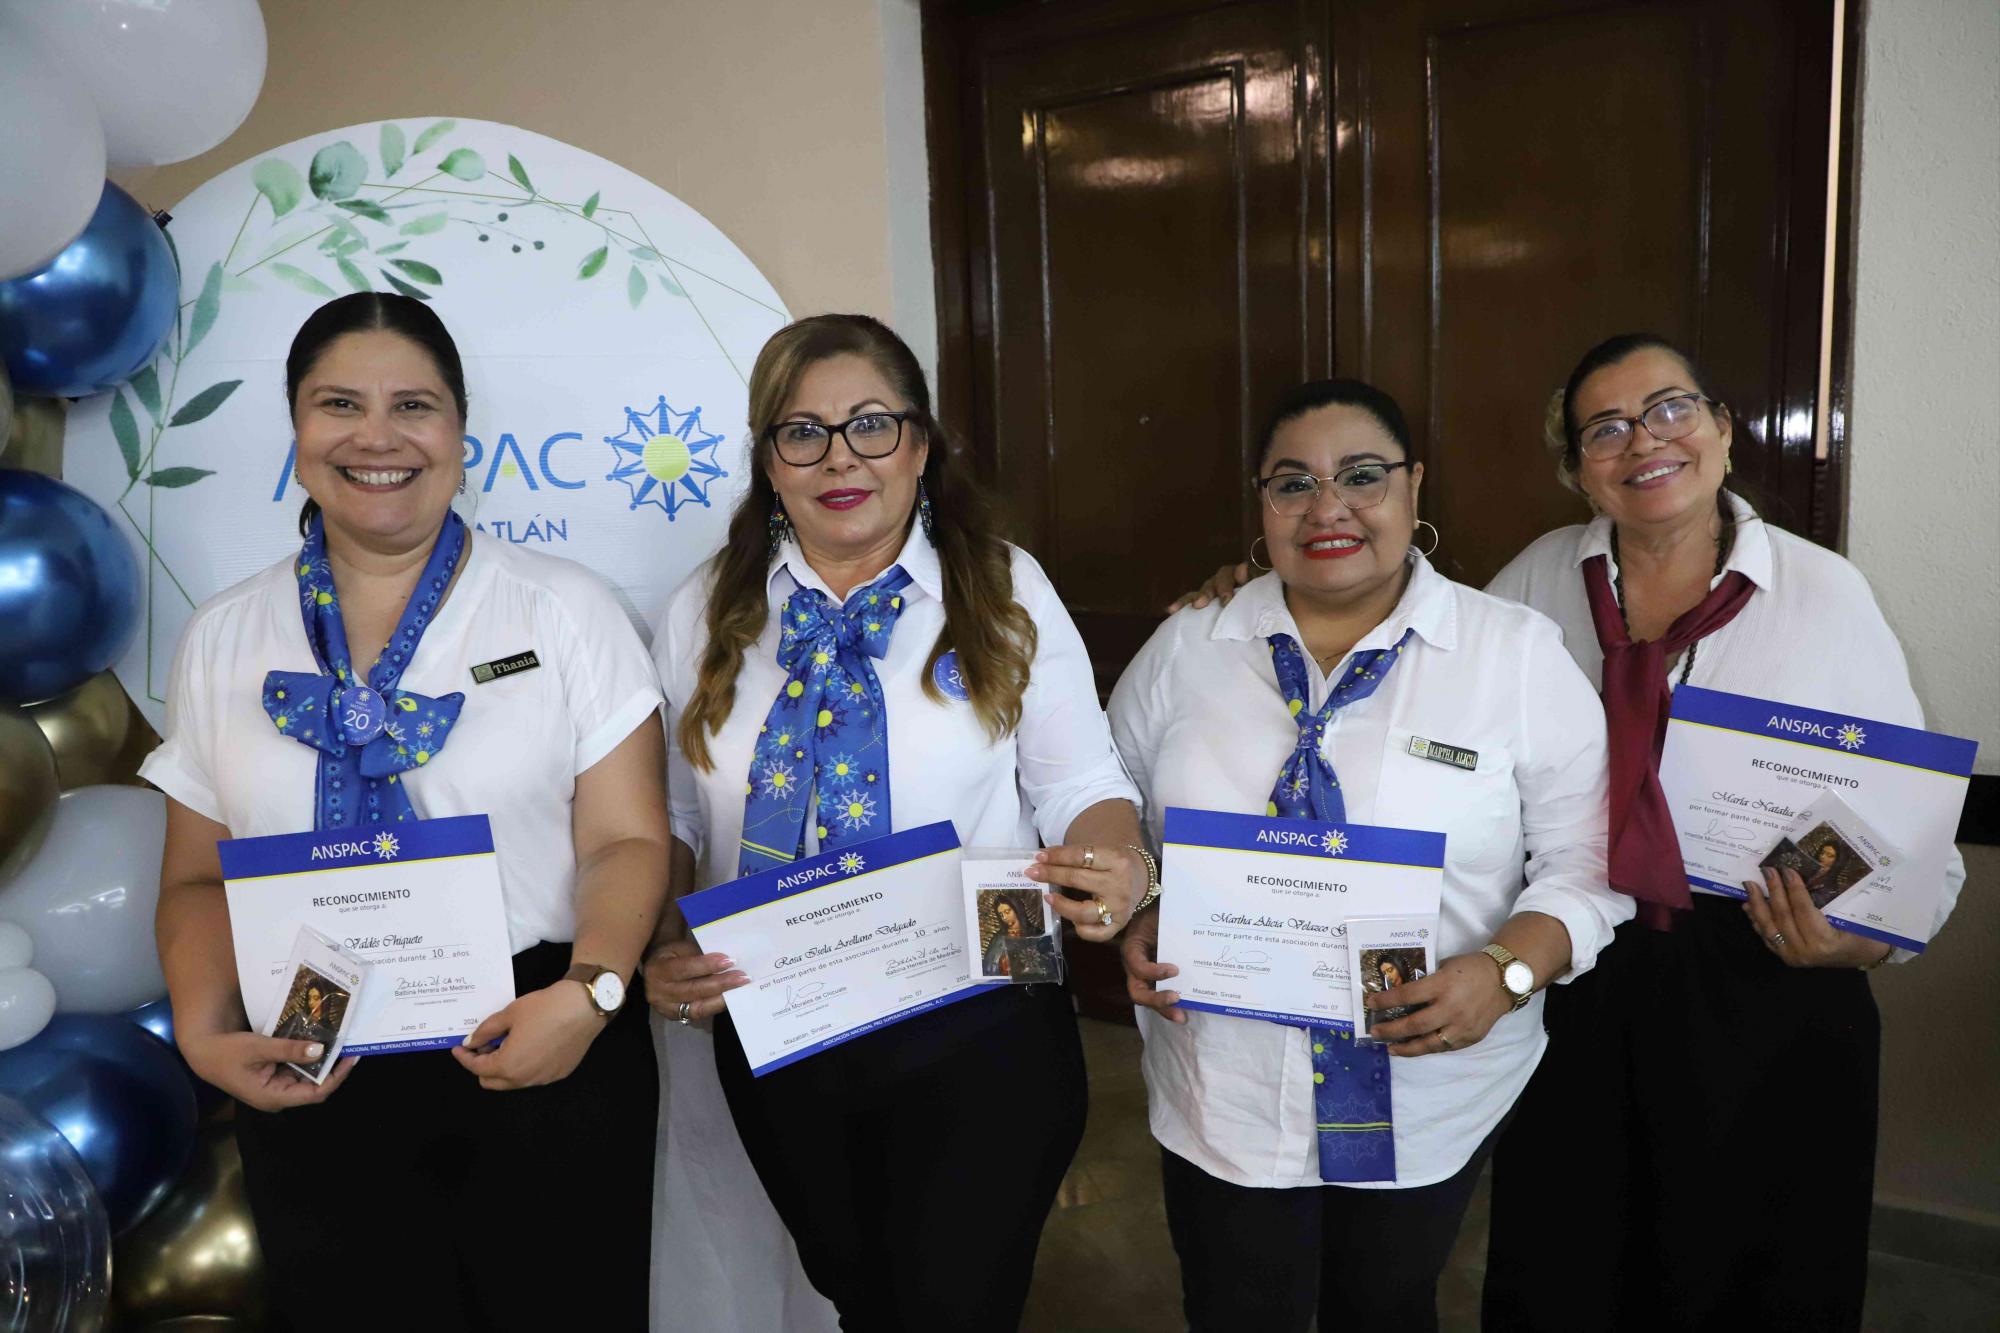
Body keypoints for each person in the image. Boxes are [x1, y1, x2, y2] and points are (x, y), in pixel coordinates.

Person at [146, 293, 670, 1332]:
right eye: (339, 402)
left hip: (542, 1034)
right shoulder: (225, 634)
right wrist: (206, 1034)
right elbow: (197, 876)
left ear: (460, 437)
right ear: (296, 433)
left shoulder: (563, 608)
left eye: (413, 406)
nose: (376, 436)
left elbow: (626, 836)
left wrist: (593, 992)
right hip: (309, 1052)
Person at [643, 314, 1149, 1331]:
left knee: (951, 1300)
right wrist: (660, 939)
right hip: (783, 1025)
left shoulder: (1001, 587)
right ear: (767, 461)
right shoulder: (704, 609)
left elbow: (1081, 779)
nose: (840, 458)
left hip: (981, 1020)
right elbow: (679, 815)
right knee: (858, 1292)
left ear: (918, 445)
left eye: (870, 425)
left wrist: (1121, 859)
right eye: (803, 432)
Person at [1474, 333, 1968, 1329]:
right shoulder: (1528, 587)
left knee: (1756, 1277)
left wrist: (1854, 941)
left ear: (1720, 431)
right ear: (1575, 468)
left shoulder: (1822, 593)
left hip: (1769, 978)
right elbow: (1420, 685)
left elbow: (1906, 827)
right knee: (1567, 1262)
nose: (1641, 441)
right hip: (1585, 971)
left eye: (1668, 409)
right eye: (1603, 428)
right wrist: (1252, 586)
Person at [1111, 378, 1627, 1330]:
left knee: (1384, 1305)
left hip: (1428, 1081)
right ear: (1260, 504)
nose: (1328, 507)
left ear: (1414, 486)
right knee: (1233, 1307)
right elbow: (1109, 814)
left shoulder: (1511, 654)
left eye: (1361, 475)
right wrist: (1138, 907)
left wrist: (1506, 971)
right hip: (1222, 1079)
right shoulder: (1190, 645)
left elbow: (1587, 862)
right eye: (1292, 484)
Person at [984, 895, 1030, 977]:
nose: (1004, 917)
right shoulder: (997, 938)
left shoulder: (1033, 933)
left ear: (1017, 909)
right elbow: (989, 965)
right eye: (1001, 914)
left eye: (1007, 911)